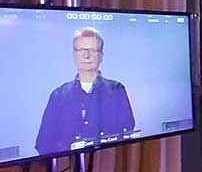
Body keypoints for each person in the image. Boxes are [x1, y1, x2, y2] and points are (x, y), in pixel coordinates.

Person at [35, 27, 136, 155]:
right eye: (81, 50)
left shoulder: (117, 90)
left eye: (92, 50)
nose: (86, 55)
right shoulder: (59, 95)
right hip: (68, 165)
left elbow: (127, 133)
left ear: (101, 57)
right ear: (74, 56)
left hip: (107, 162)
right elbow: (44, 143)